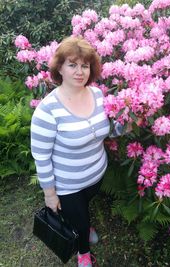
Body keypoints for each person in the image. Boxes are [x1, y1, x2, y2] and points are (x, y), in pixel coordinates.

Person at [30, 36, 125, 267]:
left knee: (83, 211)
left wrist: (128, 125)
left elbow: (106, 131)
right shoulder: (47, 110)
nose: (80, 71)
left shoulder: (98, 95)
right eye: (72, 64)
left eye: (85, 65)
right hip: (67, 185)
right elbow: (41, 158)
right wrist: (50, 194)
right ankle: (83, 253)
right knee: (80, 225)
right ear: (59, 68)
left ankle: (82, 220)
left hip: (96, 176)